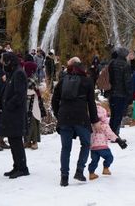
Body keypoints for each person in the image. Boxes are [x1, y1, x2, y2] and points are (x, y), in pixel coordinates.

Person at [51, 57, 99, 187]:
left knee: (65, 148)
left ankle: (64, 177)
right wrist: (95, 121)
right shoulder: (87, 81)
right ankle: (79, 171)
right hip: (81, 118)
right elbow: (91, 103)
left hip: (64, 118)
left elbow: (54, 100)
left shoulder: (62, 81)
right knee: (85, 144)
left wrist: (58, 114)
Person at [0, 52, 29, 179]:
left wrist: (8, 105)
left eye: (4, 61)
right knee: (13, 140)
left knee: (16, 141)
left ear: (9, 61)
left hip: (15, 114)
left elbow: (20, 95)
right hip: (11, 114)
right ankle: (17, 165)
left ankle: (22, 167)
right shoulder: (13, 73)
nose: (2, 64)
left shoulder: (19, 73)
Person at [88, 104, 128, 180]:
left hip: (93, 148)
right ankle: (106, 168)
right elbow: (110, 134)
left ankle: (91, 173)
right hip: (102, 147)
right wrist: (118, 140)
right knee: (109, 157)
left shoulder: (91, 125)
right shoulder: (104, 125)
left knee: (94, 161)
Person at [108, 48, 133, 135]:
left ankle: (110, 133)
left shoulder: (111, 63)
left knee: (113, 115)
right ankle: (115, 134)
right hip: (121, 94)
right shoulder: (125, 65)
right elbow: (127, 81)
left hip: (112, 92)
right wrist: (130, 94)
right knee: (118, 115)